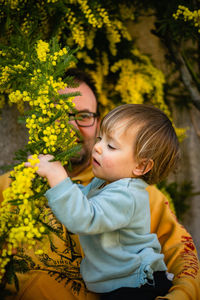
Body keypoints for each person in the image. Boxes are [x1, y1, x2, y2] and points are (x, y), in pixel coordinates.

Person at [0, 68, 199, 300]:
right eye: (59, 113)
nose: (72, 126)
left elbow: (182, 255)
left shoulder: (140, 195)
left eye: (83, 116)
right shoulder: (12, 186)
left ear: (96, 121)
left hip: (136, 288)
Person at [26, 104, 179, 299]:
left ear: (141, 166)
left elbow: (85, 218)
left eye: (111, 146)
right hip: (118, 281)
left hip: (136, 284)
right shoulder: (106, 181)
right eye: (100, 138)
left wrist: (56, 175)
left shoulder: (127, 195)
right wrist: (50, 183)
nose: (97, 147)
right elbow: (81, 199)